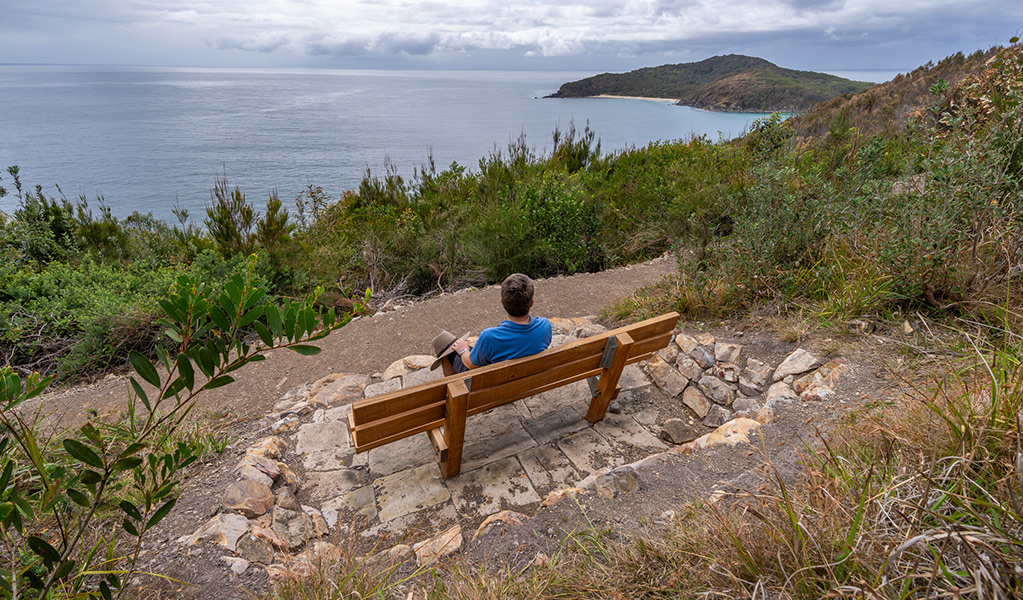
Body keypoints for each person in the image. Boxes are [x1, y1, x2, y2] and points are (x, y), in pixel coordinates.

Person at [431, 273, 552, 375]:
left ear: (502, 302)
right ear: (531, 303)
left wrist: (463, 350)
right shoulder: (545, 326)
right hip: (526, 379)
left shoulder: (490, 337)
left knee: (448, 347)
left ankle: (451, 389)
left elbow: (469, 364)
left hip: (495, 387)